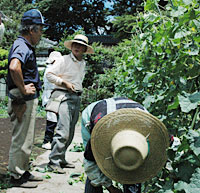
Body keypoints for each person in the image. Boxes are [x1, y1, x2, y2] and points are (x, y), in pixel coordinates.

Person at [81, 97, 170, 193]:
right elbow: (90, 164)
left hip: (132, 114)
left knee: (133, 168)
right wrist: (111, 188)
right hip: (98, 113)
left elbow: (174, 146)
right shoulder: (97, 137)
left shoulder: (155, 132)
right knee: (97, 166)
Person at [7, 9, 48, 188]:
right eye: (40, 29)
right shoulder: (22, 45)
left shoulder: (23, 45)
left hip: (24, 98)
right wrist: (23, 88)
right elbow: (14, 67)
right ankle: (16, 176)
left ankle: (23, 170)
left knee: (27, 138)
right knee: (21, 138)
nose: (41, 34)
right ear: (32, 30)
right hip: (22, 98)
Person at [46, 34, 94, 174]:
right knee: (63, 131)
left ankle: (61, 158)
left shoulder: (83, 63)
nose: (77, 47)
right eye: (75, 44)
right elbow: (49, 74)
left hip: (76, 97)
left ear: (85, 49)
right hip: (64, 96)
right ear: (71, 46)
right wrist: (64, 83)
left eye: (80, 45)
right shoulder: (63, 60)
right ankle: (53, 162)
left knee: (71, 132)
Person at [41, 50, 62, 150]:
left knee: (55, 120)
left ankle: (52, 140)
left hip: (54, 96)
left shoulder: (53, 69)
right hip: (50, 97)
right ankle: (46, 141)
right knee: (51, 120)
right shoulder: (49, 70)